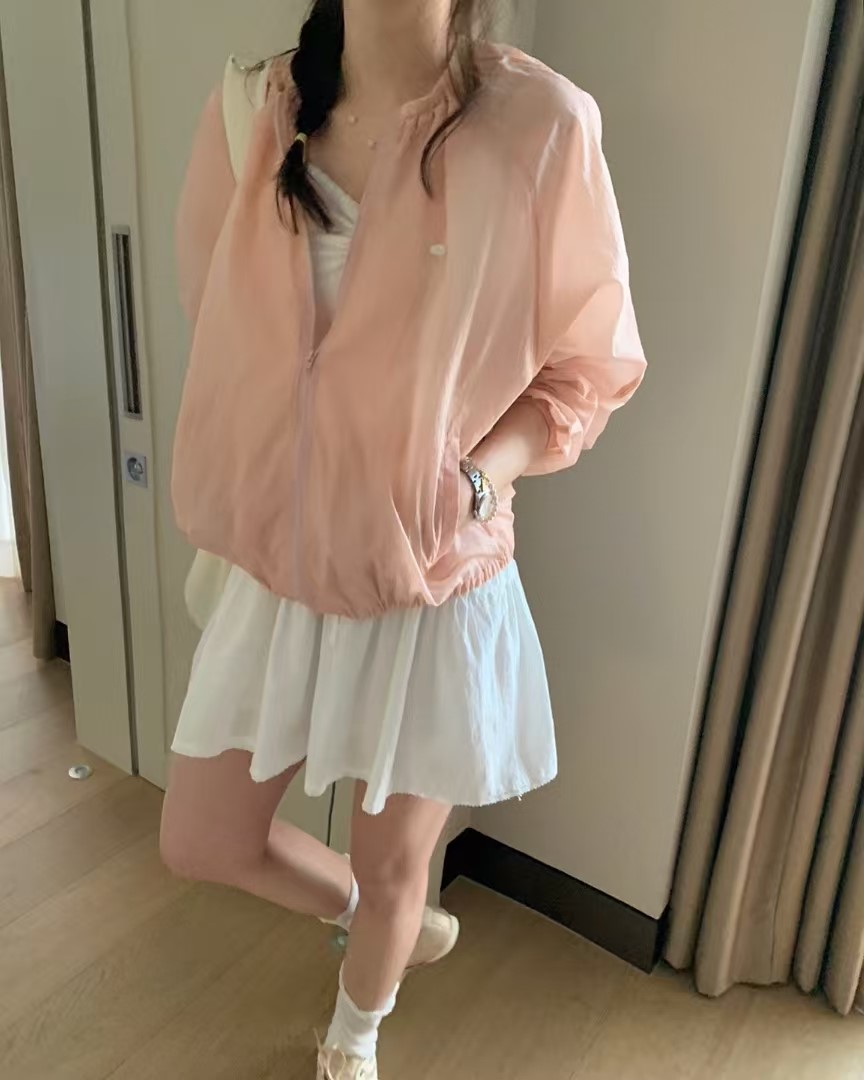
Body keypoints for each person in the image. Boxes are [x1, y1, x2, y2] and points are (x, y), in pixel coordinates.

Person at [161, 0, 646, 1076]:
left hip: (429, 578)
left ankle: (354, 1038)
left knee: (395, 863)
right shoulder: (252, 105)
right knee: (202, 838)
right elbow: (222, 323)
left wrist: (472, 481)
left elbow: (587, 368)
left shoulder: (541, 127)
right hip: (279, 570)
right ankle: (386, 924)